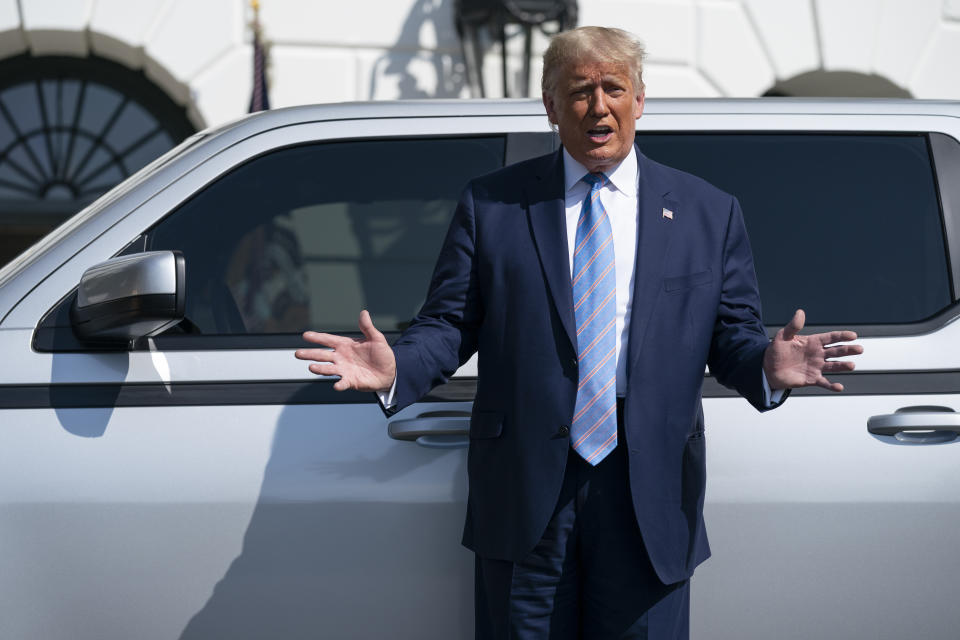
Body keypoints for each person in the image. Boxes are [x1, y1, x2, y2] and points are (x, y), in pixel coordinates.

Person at [295, 26, 862, 640]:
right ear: (551, 107)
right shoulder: (494, 205)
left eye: (613, 88)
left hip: (648, 490)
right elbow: (450, 323)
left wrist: (764, 367)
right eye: (580, 91)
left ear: (639, 99)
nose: (599, 107)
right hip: (527, 491)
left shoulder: (707, 211)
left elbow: (731, 336)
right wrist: (398, 368)